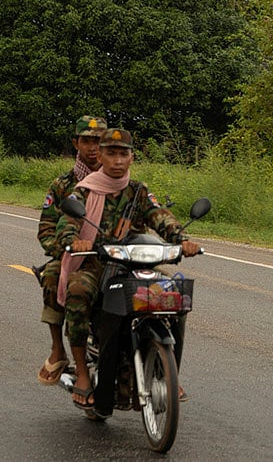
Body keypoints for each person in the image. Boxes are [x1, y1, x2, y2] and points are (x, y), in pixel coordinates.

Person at [55, 128, 200, 411]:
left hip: (136, 264)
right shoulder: (84, 189)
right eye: (112, 153)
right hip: (97, 263)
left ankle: (168, 373)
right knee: (78, 290)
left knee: (174, 294)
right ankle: (83, 371)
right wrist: (75, 240)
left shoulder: (139, 191)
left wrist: (182, 240)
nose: (118, 160)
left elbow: (161, 218)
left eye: (124, 153)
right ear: (102, 155)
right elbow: (66, 226)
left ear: (132, 157)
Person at [35, 115, 106, 386]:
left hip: (114, 257)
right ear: (76, 143)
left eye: (99, 141)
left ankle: (162, 366)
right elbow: (47, 228)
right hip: (74, 258)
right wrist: (65, 250)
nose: (93, 148)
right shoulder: (63, 186)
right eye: (87, 141)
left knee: (163, 289)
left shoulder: (121, 182)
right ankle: (58, 350)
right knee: (53, 275)